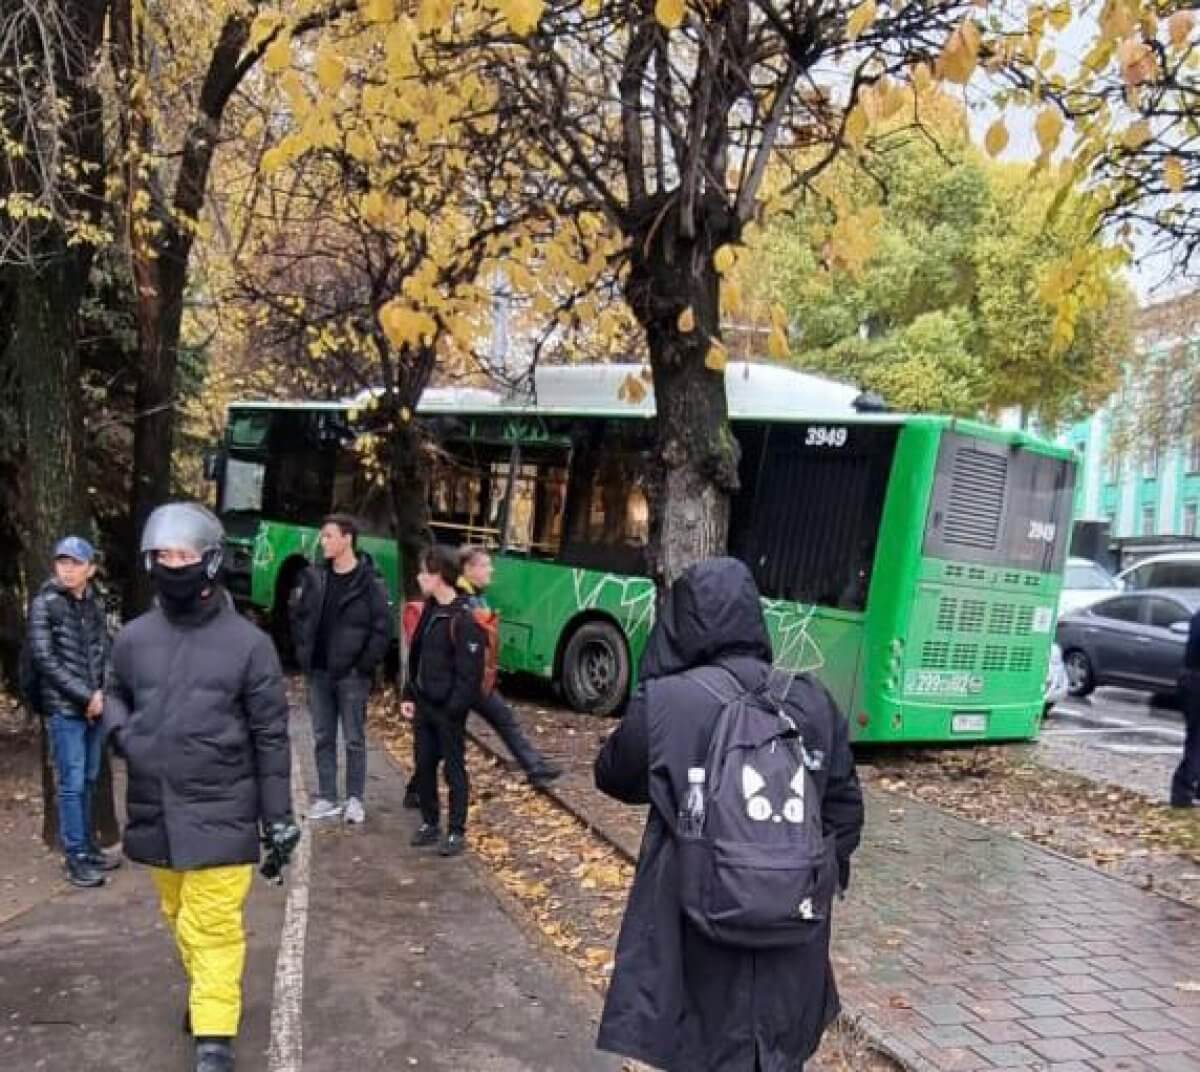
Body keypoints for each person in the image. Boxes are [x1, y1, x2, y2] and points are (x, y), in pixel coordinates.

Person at [593, 557, 865, 1072]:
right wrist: (793, 874)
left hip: (692, 941)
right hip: (791, 942)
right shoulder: (811, 699)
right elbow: (846, 814)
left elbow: (611, 775)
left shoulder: (668, 701)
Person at [103, 503, 298, 1072]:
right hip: (156, 811)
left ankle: (214, 1034)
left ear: (210, 561)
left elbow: (271, 735)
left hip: (224, 809)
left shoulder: (249, 645)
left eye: (184, 555)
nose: (173, 565)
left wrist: (278, 816)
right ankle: (207, 992)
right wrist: (120, 731)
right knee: (179, 916)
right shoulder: (134, 639)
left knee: (211, 925)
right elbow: (114, 692)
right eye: (163, 556)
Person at [403, 546, 559, 807]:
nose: (491, 570)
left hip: (471, 680)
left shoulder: (474, 595)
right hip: (465, 681)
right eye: (485, 565)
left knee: (494, 724)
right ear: (469, 569)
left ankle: (534, 767)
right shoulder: (464, 598)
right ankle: (418, 790)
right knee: (454, 739)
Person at [290, 514, 392, 824]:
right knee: (322, 735)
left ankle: (355, 799)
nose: (324, 542)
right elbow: (299, 615)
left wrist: (363, 665)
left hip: (351, 675)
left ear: (347, 539)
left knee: (353, 738)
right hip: (318, 670)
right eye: (323, 536)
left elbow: (381, 628)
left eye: (329, 536)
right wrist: (303, 652)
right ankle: (327, 797)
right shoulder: (315, 577)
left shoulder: (370, 582)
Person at [27, 535, 116, 888]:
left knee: (90, 778)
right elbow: (45, 660)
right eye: (62, 562)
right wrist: (85, 697)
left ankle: (89, 846)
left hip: (94, 707)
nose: (68, 569)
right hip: (65, 710)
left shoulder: (93, 604)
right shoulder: (45, 604)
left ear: (90, 569)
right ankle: (75, 855)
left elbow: (106, 651)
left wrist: (102, 694)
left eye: (75, 563)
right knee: (71, 783)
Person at [401, 545, 485, 857]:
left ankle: (456, 830)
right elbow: (417, 654)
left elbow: (469, 673)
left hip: (448, 710)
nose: (419, 577)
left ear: (438, 576)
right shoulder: (431, 610)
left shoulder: (464, 619)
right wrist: (410, 693)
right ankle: (430, 821)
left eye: (424, 572)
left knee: (453, 768)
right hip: (425, 705)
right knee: (423, 765)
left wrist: (453, 708)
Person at [1170, 602, 1200, 807]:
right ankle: (1182, 792)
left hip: (1191, 679)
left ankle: (1188, 789)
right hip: (1196, 680)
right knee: (1197, 739)